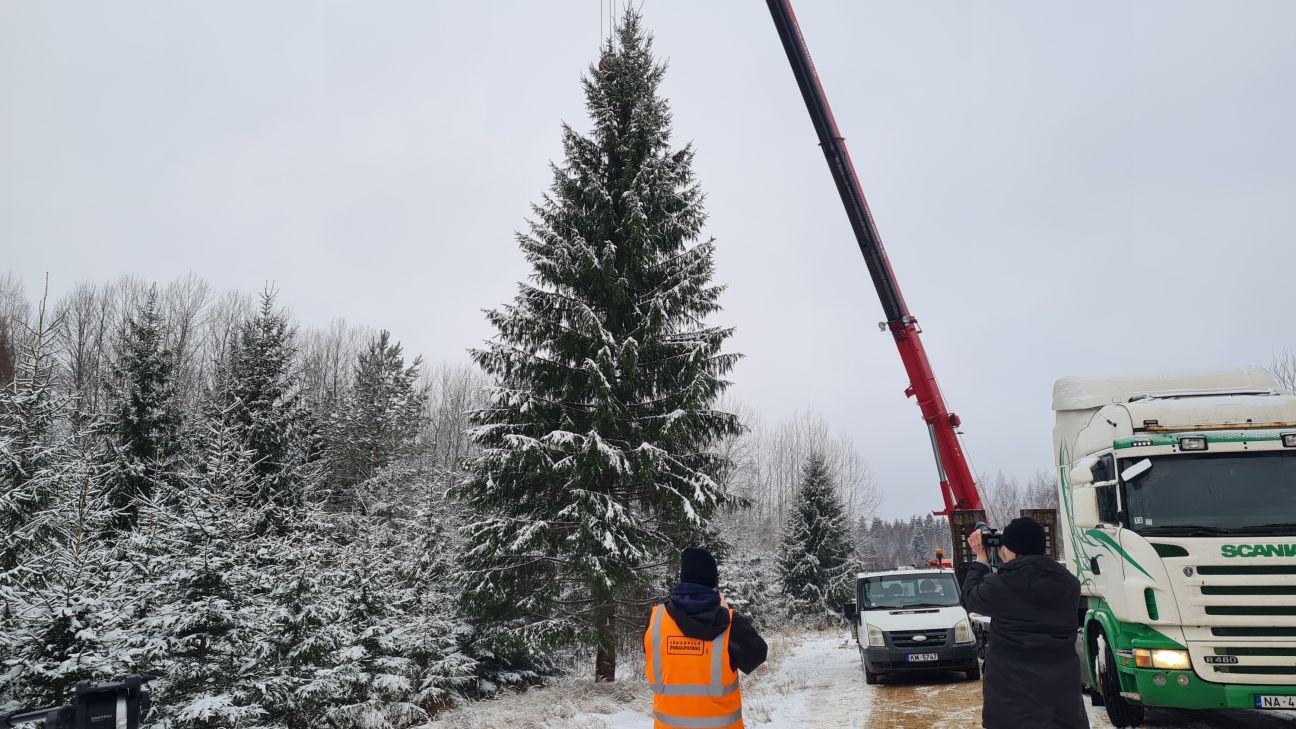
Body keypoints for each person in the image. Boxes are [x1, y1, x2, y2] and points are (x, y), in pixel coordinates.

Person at [962, 517, 1089, 729]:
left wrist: (981, 559)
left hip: (1013, 709)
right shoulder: (1069, 584)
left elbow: (968, 597)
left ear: (1012, 550)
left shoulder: (1001, 586)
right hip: (1063, 707)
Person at [643, 547, 767, 729]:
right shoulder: (730, 624)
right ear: (714, 584)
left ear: (683, 580)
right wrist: (725, 611)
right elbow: (758, 654)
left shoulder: (655, 620)